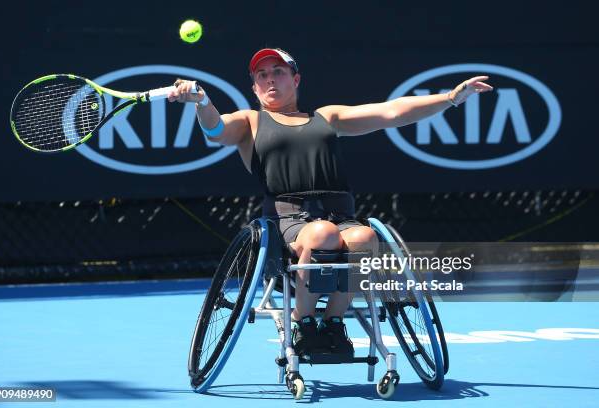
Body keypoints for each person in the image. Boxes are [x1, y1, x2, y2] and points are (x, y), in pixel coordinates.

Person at [168, 48, 492, 358]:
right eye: (262, 75)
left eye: (278, 72)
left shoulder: (327, 117)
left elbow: (390, 112)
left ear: (295, 80)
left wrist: (451, 98)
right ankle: (303, 323)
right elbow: (215, 129)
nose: (270, 79)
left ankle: (334, 323)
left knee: (365, 238)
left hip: (342, 216)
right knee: (322, 234)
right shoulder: (249, 122)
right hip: (288, 222)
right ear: (254, 87)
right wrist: (201, 101)